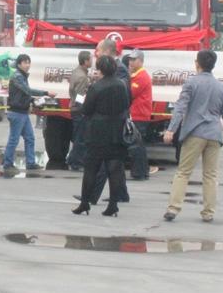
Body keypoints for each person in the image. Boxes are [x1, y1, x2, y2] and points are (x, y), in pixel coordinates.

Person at [163, 49, 223, 222]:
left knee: (183, 172)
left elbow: (180, 107)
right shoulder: (222, 88)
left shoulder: (191, 83)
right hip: (214, 135)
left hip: (194, 133)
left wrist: (171, 129)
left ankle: (174, 208)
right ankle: (208, 212)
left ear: (197, 63)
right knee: (210, 175)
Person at [72, 56, 130, 217]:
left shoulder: (96, 87)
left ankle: (85, 203)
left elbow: (87, 110)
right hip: (117, 131)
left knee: (91, 169)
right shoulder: (122, 85)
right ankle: (113, 205)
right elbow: (126, 105)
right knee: (114, 169)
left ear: (101, 69)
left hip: (97, 132)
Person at [3, 54, 53, 173]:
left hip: (22, 112)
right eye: (25, 62)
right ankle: (7, 163)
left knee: (30, 138)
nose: (27, 65)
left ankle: (30, 163)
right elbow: (27, 90)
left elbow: (24, 94)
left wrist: (32, 100)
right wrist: (45, 92)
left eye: (29, 62)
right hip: (16, 112)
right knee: (14, 139)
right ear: (19, 64)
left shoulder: (22, 76)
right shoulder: (18, 76)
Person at [127, 49, 156, 180]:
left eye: (134, 60)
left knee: (136, 145)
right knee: (138, 145)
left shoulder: (141, 76)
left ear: (141, 61)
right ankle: (142, 171)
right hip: (138, 114)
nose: (131, 62)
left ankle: (139, 172)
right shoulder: (136, 75)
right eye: (130, 59)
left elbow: (130, 94)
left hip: (139, 115)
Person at [66, 51, 92, 171]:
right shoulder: (82, 77)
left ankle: (71, 159)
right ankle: (77, 163)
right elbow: (80, 96)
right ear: (86, 61)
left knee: (77, 136)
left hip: (74, 108)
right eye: (90, 59)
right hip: (79, 110)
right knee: (80, 138)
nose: (92, 61)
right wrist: (83, 109)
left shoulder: (76, 72)